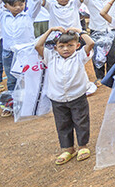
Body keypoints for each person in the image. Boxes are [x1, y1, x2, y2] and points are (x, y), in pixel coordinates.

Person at [34, 27, 95, 165]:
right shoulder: (50, 57)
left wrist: (80, 31)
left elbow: (90, 43)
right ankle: (68, 149)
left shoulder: (79, 56)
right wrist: (50, 30)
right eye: (61, 46)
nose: (66, 49)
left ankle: (83, 146)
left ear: (77, 46)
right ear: (55, 48)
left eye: (70, 45)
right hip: (57, 98)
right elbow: (37, 45)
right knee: (62, 123)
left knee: (81, 121)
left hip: (77, 96)